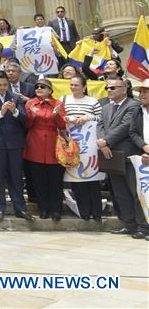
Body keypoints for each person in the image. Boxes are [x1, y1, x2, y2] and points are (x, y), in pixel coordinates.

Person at [0, 71, 32, 222]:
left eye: (5, 85)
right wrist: (1, 113)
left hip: (15, 143)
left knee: (16, 176)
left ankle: (20, 208)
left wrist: (15, 111)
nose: (3, 88)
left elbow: (24, 118)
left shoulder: (16, 97)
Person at [97, 76, 145, 236]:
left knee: (135, 192)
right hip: (110, 155)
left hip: (130, 155)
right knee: (120, 193)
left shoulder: (134, 105)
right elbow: (100, 125)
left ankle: (141, 226)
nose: (109, 90)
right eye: (107, 88)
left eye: (113, 88)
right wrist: (102, 143)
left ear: (124, 89)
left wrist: (106, 141)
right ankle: (128, 224)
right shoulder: (105, 108)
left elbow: (126, 126)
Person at [24, 77, 67, 220]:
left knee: (55, 181)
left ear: (50, 90)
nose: (39, 89)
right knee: (38, 180)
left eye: (43, 87)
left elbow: (62, 125)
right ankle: (43, 209)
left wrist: (56, 115)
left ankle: (56, 210)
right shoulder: (31, 103)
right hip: (35, 143)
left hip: (53, 144)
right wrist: (32, 115)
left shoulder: (58, 103)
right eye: (37, 87)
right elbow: (26, 125)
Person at [61, 74, 102, 221]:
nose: (73, 87)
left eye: (76, 85)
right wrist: (69, 119)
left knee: (92, 179)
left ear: (84, 87)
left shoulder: (92, 101)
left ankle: (96, 212)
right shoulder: (64, 100)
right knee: (76, 179)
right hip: (72, 146)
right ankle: (84, 211)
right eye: (71, 85)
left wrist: (87, 117)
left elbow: (101, 118)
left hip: (90, 146)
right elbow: (60, 117)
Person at [125, 80, 149, 239]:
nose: (142, 95)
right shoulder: (138, 111)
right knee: (141, 192)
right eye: (140, 92)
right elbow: (133, 132)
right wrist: (144, 147)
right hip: (142, 156)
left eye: (145, 92)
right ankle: (144, 227)